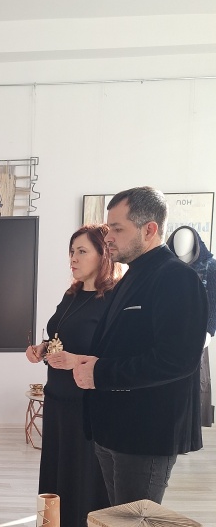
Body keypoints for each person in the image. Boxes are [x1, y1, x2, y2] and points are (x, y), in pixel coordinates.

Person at [73, 187, 208, 506]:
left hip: (145, 433)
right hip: (113, 429)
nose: (108, 238)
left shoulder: (177, 278)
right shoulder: (131, 276)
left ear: (149, 229)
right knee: (117, 525)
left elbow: (178, 360)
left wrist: (99, 373)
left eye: (118, 229)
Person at [26, 224, 121, 527]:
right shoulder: (72, 295)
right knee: (57, 477)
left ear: (102, 254)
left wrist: (74, 359)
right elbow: (58, 336)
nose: (73, 258)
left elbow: (113, 357)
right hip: (58, 401)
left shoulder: (112, 300)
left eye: (82, 251)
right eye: (71, 251)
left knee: (85, 481)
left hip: (87, 405)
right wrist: (41, 348)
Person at [167, 225, 216, 427]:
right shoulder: (165, 267)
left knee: (193, 386)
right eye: (177, 240)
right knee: (167, 384)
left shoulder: (210, 267)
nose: (180, 246)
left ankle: (190, 432)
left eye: (185, 241)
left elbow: (213, 304)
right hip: (166, 334)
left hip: (196, 336)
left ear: (194, 243)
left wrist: (209, 332)